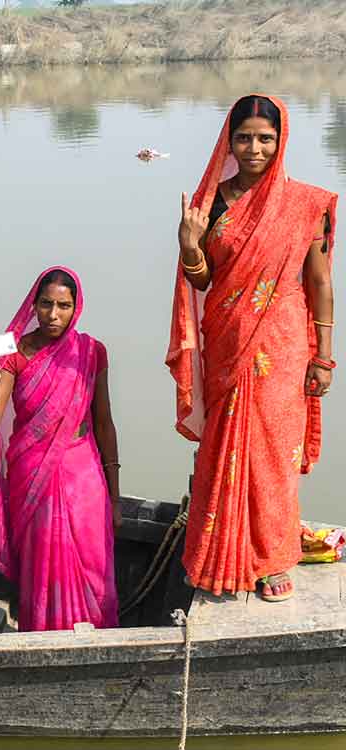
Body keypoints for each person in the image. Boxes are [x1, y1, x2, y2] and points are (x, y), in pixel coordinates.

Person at [169, 94, 337, 603]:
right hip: (228, 343)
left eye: (265, 138)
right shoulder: (212, 203)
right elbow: (204, 280)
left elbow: (320, 283)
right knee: (223, 448)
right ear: (230, 141)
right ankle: (218, 554)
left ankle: (271, 559)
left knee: (271, 455)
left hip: (283, 347)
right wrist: (190, 246)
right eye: (245, 137)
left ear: (280, 140)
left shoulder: (306, 204)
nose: (255, 148)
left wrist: (324, 355)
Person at [0, 267, 120, 632]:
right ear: (33, 305)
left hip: (83, 475)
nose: (53, 315)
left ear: (76, 307)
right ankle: (42, 638)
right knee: (42, 567)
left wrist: (115, 497)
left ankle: (99, 639)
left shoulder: (91, 352)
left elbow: (103, 423)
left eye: (63, 306)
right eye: (46, 304)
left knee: (93, 566)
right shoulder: (9, 351)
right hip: (32, 472)